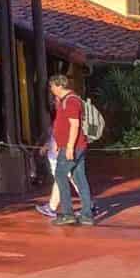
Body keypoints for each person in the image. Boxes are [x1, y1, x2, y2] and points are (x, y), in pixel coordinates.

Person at [49, 73, 94, 226]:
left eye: (52, 86)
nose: (51, 89)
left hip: (73, 147)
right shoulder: (65, 100)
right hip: (74, 146)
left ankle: (68, 213)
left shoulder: (71, 101)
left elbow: (74, 125)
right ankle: (86, 213)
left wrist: (69, 147)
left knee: (60, 175)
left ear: (59, 85)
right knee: (79, 178)